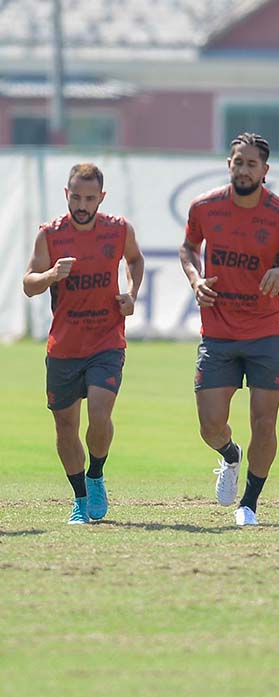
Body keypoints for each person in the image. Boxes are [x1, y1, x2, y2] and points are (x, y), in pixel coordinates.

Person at [179, 132, 279, 526]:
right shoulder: (205, 207)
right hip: (218, 333)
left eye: (251, 164)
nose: (243, 170)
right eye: (238, 162)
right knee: (210, 425)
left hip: (265, 333)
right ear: (229, 164)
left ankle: (249, 504)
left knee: (264, 421)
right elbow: (188, 248)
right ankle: (230, 455)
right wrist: (195, 279)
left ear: (265, 170)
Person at [22, 163, 144, 524]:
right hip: (64, 346)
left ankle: (96, 475)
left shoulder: (119, 230)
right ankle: (79, 498)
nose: (82, 205)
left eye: (89, 198)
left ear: (101, 198)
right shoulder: (50, 235)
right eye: (76, 197)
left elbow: (135, 260)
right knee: (65, 428)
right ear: (66, 194)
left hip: (107, 340)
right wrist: (50, 275)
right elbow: (28, 284)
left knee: (100, 415)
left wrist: (132, 294)